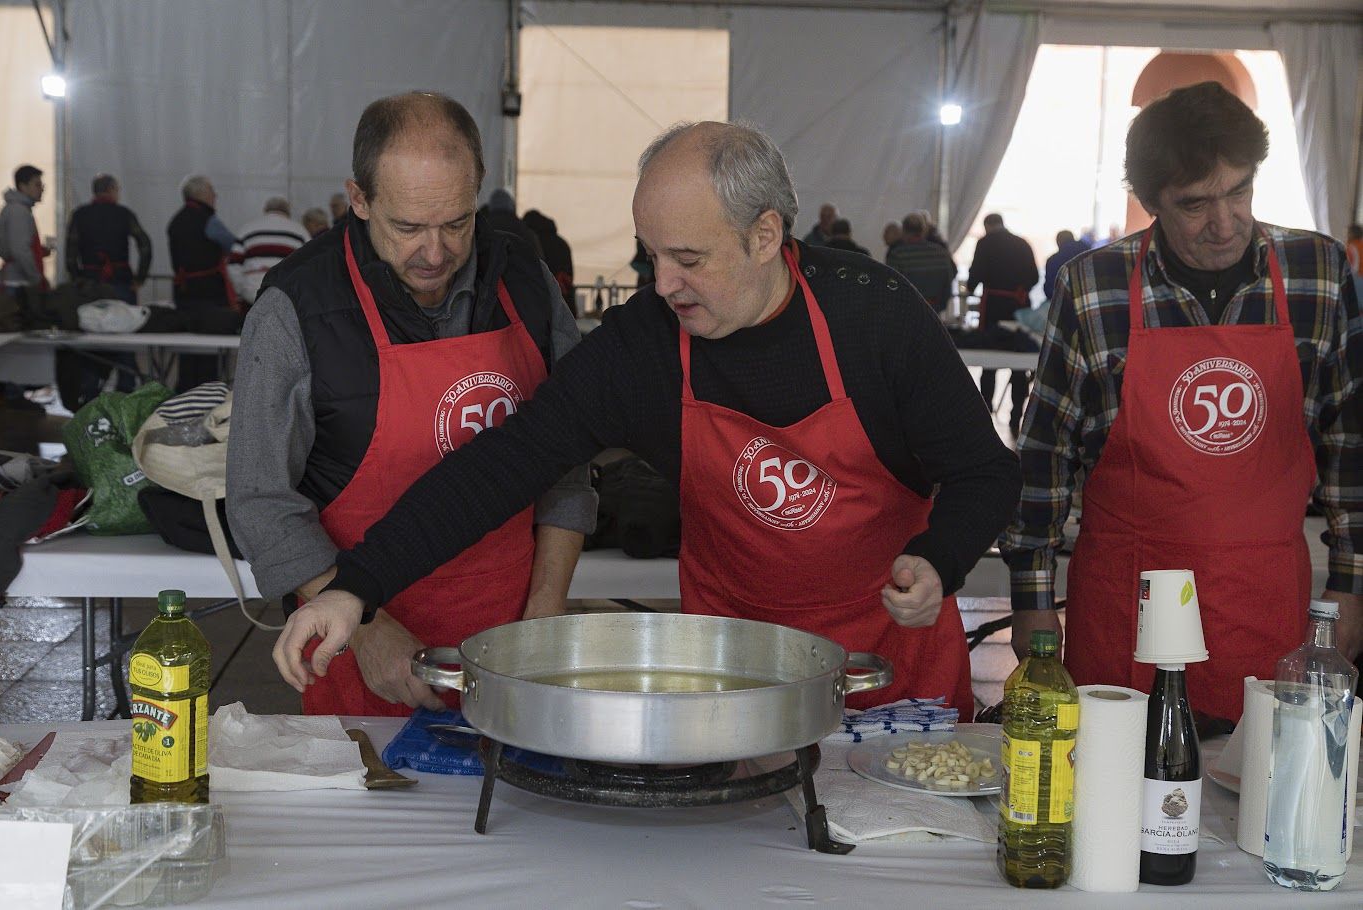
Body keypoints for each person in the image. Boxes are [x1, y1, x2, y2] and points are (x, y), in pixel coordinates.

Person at [271, 120, 1021, 718]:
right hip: (732, 667)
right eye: (649, 256)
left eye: (688, 259)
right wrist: (355, 587)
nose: (663, 285)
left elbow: (984, 471)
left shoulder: (875, 317)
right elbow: (503, 464)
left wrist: (940, 557)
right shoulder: (647, 343)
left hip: (886, 662)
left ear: (764, 236)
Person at [1003, 81, 1362, 724]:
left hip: (1264, 598)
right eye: (1195, 204)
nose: (1225, 224)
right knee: (1119, 770)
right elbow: (1045, 454)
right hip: (1126, 599)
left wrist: (1350, 581)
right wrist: (1031, 596)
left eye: (1240, 192)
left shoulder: (1320, 272)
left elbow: (1349, 447)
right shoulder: (1094, 286)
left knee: (1260, 773)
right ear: (1150, 202)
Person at [227, 92, 595, 716]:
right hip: (357, 652)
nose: (435, 252)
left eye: (456, 223)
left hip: (512, 644)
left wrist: (544, 611)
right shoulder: (296, 306)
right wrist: (366, 630)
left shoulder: (527, 283)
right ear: (360, 198)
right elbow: (260, 498)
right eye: (407, 228)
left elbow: (569, 460)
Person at [64, 173, 153, 400]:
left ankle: (89, 393)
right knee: (125, 338)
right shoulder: (124, 214)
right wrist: (140, 278)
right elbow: (145, 245)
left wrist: (77, 278)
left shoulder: (80, 215)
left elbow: (70, 252)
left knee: (91, 339)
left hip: (90, 285)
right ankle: (125, 392)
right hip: (121, 283)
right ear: (112, 189)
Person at [965, 213, 1038, 435]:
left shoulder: (985, 243)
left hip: (994, 306)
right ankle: (1016, 416)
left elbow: (976, 272)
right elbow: (1034, 276)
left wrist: (970, 288)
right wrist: (1021, 288)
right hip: (1018, 307)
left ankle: (985, 411)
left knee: (989, 357)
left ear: (988, 226)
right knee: (1019, 362)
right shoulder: (1022, 243)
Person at [167, 175, 238, 390]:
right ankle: (208, 394)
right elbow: (233, 245)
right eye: (212, 192)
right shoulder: (209, 220)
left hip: (183, 294)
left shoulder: (175, 221)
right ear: (202, 195)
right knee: (209, 349)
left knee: (187, 347)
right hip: (210, 294)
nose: (215, 196)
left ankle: (184, 392)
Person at [227, 196, 309, 303]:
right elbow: (311, 266)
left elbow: (233, 265)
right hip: (287, 295)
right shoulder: (300, 231)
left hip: (252, 293)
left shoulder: (247, 229)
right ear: (288, 212)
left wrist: (241, 290)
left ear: (265, 210)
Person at [886, 212, 956, 314]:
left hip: (906, 312)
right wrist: (938, 307)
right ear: (924, 230)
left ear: (904, 231)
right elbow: (948, 285)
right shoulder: (941, 253)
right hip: (934, 311)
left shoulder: (897, 255)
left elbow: (891, 285)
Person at [0, 164, 49, 298]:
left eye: (41, 185)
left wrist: (39, 251)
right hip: (17, 284)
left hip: (16, 281)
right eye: (37, 185)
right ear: (23, 186)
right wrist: (36, 278)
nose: (41, 189)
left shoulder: (18, 209)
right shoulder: (18, 211)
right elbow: (20, 250)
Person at [523, 209, 574, 313]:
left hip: (542, 300)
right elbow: (570, 274)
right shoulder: (562, 242)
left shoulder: (532, 241)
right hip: (565, 299)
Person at [1042, 230, 1088, 301]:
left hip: (1064, 301)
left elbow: (1049, 290)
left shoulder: (1053, 260)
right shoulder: (1087, 251)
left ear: (1058, 242)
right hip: (1087, 297)